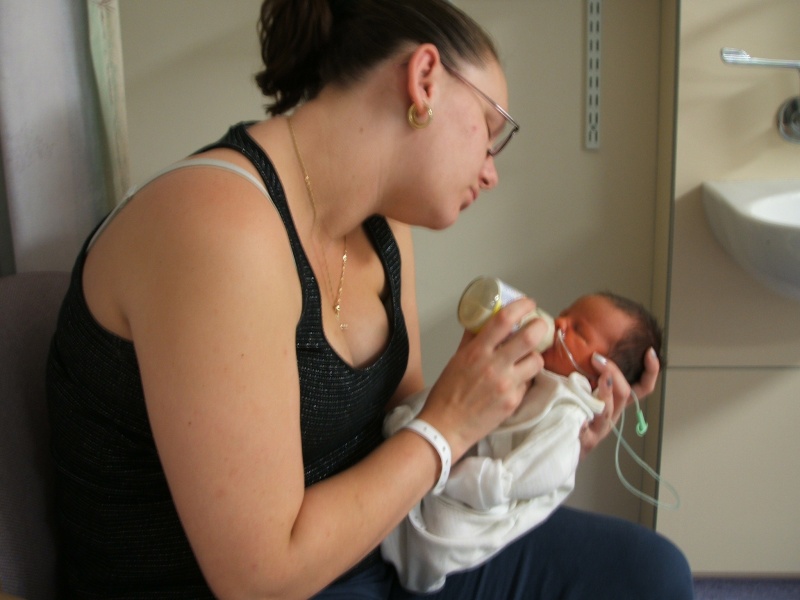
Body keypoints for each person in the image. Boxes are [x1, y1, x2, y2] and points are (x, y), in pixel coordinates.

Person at [45, 1, 693, 598]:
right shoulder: (218, 230)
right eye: (491, 130)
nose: (492, 170)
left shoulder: (383, 228)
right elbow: (259, 580)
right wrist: (449, 422)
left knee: (652, 574)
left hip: (373, 543)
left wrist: (536, 422)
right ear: (425, 79)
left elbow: (401, 433)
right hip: (254, 585)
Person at [381, 292, 664, 592]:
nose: (559, 324)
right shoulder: (535, 371)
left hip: (472, 490)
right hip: (439, 456)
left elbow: (524, 477)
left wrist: (451, 476)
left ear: (601, 372)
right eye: (564, 313)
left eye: (579, 330)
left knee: (442, 529)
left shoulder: (566, 416)